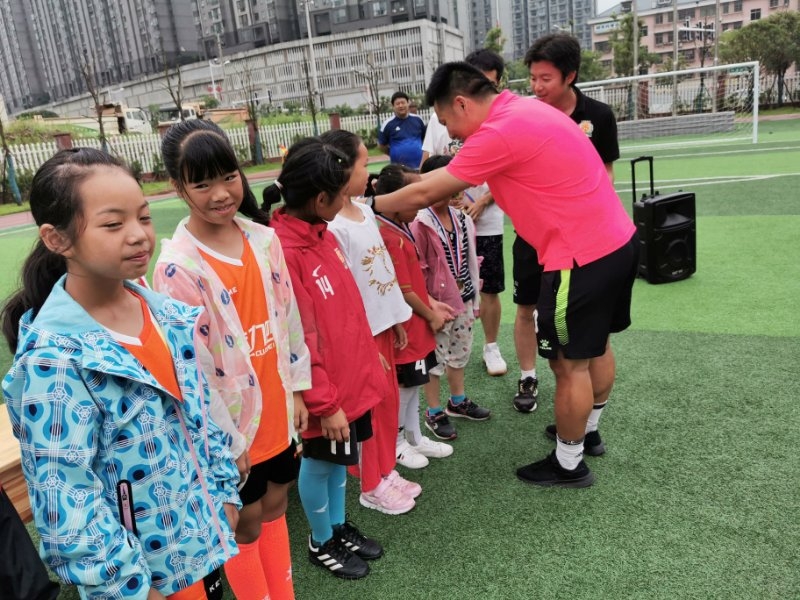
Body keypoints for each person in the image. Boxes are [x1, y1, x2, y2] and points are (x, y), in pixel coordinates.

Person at [367, 62, 638, 488]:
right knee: (595, 344)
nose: (450, 134)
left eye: (447, 122)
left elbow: (427, 191)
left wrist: (369, 208)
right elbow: (437, 177)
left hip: (579, 256)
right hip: (616, 242)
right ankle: (586, 433)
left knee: (569, 365)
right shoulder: (524, 110)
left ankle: (569, 463)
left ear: (461, 102)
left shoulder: (497, 130)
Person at [1, 148, 240, 599]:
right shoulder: (53, 361)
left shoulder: (165, 316)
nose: (139, 236)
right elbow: (67, 501)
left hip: (203, 546)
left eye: (144, 217)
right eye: (113, 224)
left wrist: (223, 491)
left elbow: (200, 412)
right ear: (57, 239)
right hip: (146, 580)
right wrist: (128, 588)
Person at [153, 119, 311, 600]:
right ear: (179, 187)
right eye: (202, 183)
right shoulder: (178, 268)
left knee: (278, 503)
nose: (220, 193)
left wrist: (299, 390)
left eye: (228, 177)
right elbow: (192, 371)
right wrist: (224, 438)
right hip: (232, 429)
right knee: (244, 522)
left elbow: (288, 319)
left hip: (276, 410)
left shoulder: (263, 241)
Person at [263, 138, 387, 580]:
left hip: (348, 384)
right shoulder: (285, 253)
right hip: (326, 396)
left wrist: (369, 362)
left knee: (340, 461)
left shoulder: (323, 235)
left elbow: (347, 313)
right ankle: (320, 539)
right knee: (319, 463)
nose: (348, 197)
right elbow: (298, 339)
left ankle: (335, 526)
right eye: (341, 193)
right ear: (320, 199)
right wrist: (324, 402)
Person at [509, 32, 622, 417]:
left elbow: (606, 177)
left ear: (570, 75)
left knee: (587, 336)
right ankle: (528, 377)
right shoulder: (522, 117)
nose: (537, 87)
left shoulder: (598, 116)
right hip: (533, 237)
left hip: (582, 246)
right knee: (526, 309)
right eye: (533, 78)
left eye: (546, 79)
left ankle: (585, 425)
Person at [322, 129, 421, 516]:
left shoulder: (363, 210)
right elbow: (348, 292)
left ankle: (385, 469)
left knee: (389, 400)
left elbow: (381, 273)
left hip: (382, 327)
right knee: (371, 407)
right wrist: (363, 343)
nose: (370, 172)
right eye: (364, 164)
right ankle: (371, 484)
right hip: (362, 334)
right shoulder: (335, 226)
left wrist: (396, 318)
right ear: (343, 169)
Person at [421, 48, 509, 377]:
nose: (453, 132)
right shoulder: (441, 115)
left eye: (490, 84)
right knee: (443, 284)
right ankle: (447, 345)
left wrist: (481, 201)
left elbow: (505, 173)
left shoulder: (501, 122)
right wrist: (439, 198)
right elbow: (428, 168)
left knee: (487, 285)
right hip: (446, 220)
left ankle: (490, 345)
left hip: (483, 221)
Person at [373, 165, 458, 453]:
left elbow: (411, 282)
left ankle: (414, 438)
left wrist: (432, 304)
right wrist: (431, 313)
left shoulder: (401, 229)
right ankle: (397, 444)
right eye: (415, 197)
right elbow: (404, 290)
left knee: (415, 384)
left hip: (415, 324)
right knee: (405, 387)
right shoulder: (387, 236)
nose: (421, 203)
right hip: (405, 328)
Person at [413, 154, 490, 427]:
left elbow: (470, 260)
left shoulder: (462, 218)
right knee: (434, 358)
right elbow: (416, 269)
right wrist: (429, 302)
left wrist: (476, 299)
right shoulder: (420, 221)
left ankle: (457, 401)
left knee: (460, 352)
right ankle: (433, 411)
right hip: (437, 304)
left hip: (464, 298)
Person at [378, 91, 426, 168]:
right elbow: (381, 145)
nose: (401, 105)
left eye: (403, 102)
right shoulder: (387, 124)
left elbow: (425, 140)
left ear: (408, 103)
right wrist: (394, 152)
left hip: (420, 166)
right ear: (393, 106)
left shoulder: (418, 119)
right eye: (397, 104)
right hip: (399, 169)